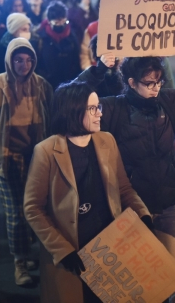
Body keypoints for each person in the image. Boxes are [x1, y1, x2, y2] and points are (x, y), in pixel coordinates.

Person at [77, 50, 175, 302]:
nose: (156, 88)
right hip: (131, 210)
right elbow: (71, 100)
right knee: (137, 287)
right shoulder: (114, 107)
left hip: (170, 203)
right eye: (149, 83)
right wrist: (99, 68)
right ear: (132, 83)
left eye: (159, 81)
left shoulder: (168, 100)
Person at [24, 81, 152, 303]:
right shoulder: (46, 151)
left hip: (108, 246)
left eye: (99, 107)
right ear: (73, 111)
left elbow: (123, 188)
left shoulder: (107, 140)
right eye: (92, 108)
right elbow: (33, 208)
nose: (99, 114)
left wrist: (143, 215)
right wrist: (62, 250)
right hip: (71, 249)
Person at [0, 37, 54, 286]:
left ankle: (31, 254)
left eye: (29, 59)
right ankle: (19, 263)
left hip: (36, 157)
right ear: (9, 60)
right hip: (6, 156)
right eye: (19, 59)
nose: (24, 64)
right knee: (15, 213)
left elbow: (52, 120)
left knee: (37, 209)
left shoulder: (42, 85)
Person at [35, 1, 81, 89]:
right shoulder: (40, 37)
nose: (61, 25)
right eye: (56, 23)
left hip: (69, 83)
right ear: (49, 21)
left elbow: (76, 59)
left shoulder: (71, 35)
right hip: (47, 84)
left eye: (63, 21)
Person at [0, 12, 32, 77]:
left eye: (28, 30)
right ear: (14, 30)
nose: (27, 33)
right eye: (24, 29)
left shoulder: (29, 49)